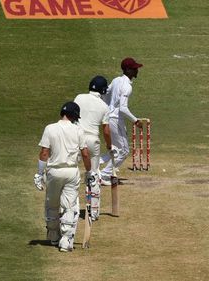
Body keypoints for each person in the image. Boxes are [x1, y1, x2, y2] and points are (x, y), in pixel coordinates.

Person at [33, 101, 94, 252]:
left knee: (52, 204)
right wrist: (89, 172)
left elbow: (44, 153)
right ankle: (66, 241)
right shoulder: (78, 130)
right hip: (71, 172)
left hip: (54, 171)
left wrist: (39, 174)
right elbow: (85, 154)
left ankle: (54, 236)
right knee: (69, 206)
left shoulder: (50, 128)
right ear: (74, 116)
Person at [74, 76, 114, 220]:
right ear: (103, 90)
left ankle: (70, 209)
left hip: (76, 138)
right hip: (92, 140)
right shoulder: (104, 106)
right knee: (94, 174)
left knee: (72, 171)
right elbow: (106, 130)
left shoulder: (79, 97)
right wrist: (109, 146)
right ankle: (94, 211)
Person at [100, 57, 144, 184]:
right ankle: (103, 175)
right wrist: (136, 121)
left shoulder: (116, 80)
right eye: (135, 69)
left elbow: (104, 94)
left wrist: (107, 109)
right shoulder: (126, 86)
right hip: (115, 119)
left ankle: (95, 165)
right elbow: (123, 109)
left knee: (115, 149)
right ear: (128, 70)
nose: (137, 71)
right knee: (124, 151)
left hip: (110, 117)